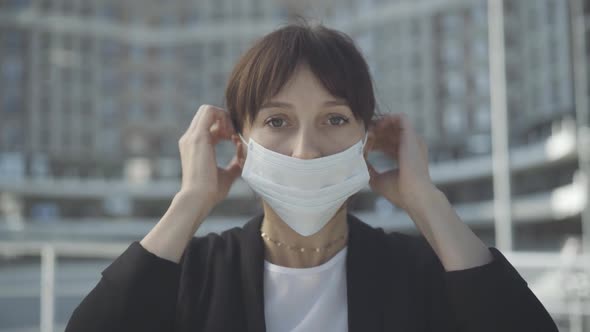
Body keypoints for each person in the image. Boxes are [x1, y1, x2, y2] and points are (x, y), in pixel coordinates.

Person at [65, 22, 558, 332]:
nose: (304, 151)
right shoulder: (194, 273)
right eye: (277, 121)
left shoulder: (419, 273)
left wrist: (424, 199)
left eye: (335, 119)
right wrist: (191, 199)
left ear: (367, 140)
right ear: (241, 143)